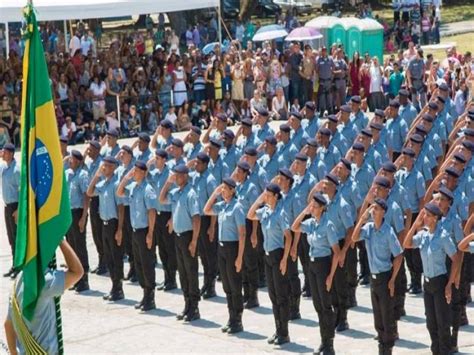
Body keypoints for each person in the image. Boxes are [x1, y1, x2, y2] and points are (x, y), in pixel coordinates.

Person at [5, 240, 84, 355]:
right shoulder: (45, 282)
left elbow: (8, 325)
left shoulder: (18, 280)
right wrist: (60, 239)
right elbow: (77, 272)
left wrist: (13, 352)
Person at [403, 203, 460, 355]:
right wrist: (416, 223)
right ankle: (436, 351)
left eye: (428, 215)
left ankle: (445, 351)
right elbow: (406, 243)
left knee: (442, 323)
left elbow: (456, 259)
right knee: (431, 323)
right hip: (427, 283)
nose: (425, 218)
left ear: (435, 218)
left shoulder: (443, 236)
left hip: (440, 282)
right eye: (424, 215)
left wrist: (450, 283)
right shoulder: (423, 235)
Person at [352, 198, 404, 355]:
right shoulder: (368, 228)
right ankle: (381, 346)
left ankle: (387, 349)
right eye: (372, 208)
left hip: (385, 277)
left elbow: (399, 255)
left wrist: (393, 279)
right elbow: (354, 238)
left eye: (376, 209)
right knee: (378, 316)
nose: (373, 211)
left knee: (387, 316)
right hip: (373, 278)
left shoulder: (388, 231)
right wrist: (362, 219)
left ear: (383, 212)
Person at [292, 192, 338, 355]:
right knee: (318, 305)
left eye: (315, 206)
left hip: (324, 265)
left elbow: (336, 252)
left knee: (326, 305)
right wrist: (304, 212)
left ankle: (329, 343)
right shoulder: (311, 223)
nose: (312, 208)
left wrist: (331, 276)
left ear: (322, 208)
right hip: (312, 266)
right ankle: (323, 341)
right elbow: (294, 227)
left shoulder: (328, 225)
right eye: (311, 205)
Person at [248, 183, 292, 346]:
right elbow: (250, 214)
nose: (265, 197)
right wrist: (259, 200)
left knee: (281, 296)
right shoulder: (265, 211)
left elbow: (288, 237)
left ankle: (284, 333)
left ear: (275, 196)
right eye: (264, 194)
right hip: (267, 255)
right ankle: (277, 329)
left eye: (267, 195)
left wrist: (285, 259)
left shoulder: (281, 213)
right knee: (273, 295)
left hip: (278, 254)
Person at [203, 177, 246, 334]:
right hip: (221, 247)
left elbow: (242, 234)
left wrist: (240, 257)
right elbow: (206, 210)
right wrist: (215, 194)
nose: (222, 191)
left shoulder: (237, 207)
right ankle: (231, 317)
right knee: (227, 285)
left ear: (232, 190)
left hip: (233, 248)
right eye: (222, 188)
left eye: (225, 188)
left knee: (235, 285)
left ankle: (238, 320)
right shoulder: (222, 206)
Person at [159, 164, 201, 322]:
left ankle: (194, 307)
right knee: (182, 272)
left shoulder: (191, 194)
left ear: (185, 176)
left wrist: (194, 241)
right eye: (174, 176)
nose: (175, 178)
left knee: (191, 271)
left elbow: (196, 218)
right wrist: (168, 183)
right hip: (177, 236)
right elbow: (162, 199)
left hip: (188, 236)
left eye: (177, 176)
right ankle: (187, 304)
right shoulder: (176, 192)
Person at [117, 160, 157, 311]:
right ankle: (144, 294)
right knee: (139, 264)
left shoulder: (148, 190)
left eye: (136, 171)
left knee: (147, 264)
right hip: (135, 231)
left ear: (144, 172)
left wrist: (150, 234)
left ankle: (150, 297)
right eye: (133, 171)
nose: (133, 173)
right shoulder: (133, 187)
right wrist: (126, 178)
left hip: (144, 231)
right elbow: (119, 192)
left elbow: (152, 212)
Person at [87, 156, 125, 301]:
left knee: (116, 257)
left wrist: (120, 229)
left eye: (108, 166)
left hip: (114, 223)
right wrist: (97, 175)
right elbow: (90, 192)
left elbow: (121, 208)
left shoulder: (116, 184)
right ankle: (113, 286)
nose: (105, 168)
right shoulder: (102, 183)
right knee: (108, 255)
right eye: (104, 166)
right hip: (104, 223)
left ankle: (118, 288)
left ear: (115, 167)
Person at [147, 149, 177, 291]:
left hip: (167, 215)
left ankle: (172, 280)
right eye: (155, 158)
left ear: (164, 160)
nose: (156, 160)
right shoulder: (154, 174)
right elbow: (142, 175)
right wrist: (148, 164)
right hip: (157, 215)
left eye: (158, 158)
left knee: (170, 249)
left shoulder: (170, 175)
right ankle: (166, 278)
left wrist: (172, 218)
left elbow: (175, 197)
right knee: (162, 250)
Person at [64, 150, 90, 292]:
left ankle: (84, 279)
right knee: (71, 245)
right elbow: (58, 170)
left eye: (72, 159)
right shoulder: (68, 173)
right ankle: (75, 277)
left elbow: (87, 197)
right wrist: (65, 159)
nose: (69, 161)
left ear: (79, 161)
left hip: (78, 213)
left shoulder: (83, 175)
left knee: (79, 246)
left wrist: (84, 217)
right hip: (69, 213)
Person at [1, 143, 20, 278]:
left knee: (17, 238)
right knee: (11, 238)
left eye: (5, 152)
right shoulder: (4, 168)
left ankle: (19, 266)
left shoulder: (16, 170)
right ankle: (14, 265)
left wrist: (19, 209)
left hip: (15, 207)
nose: (2, 153)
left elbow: (22, 190)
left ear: (11, 154)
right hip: (7, 207)